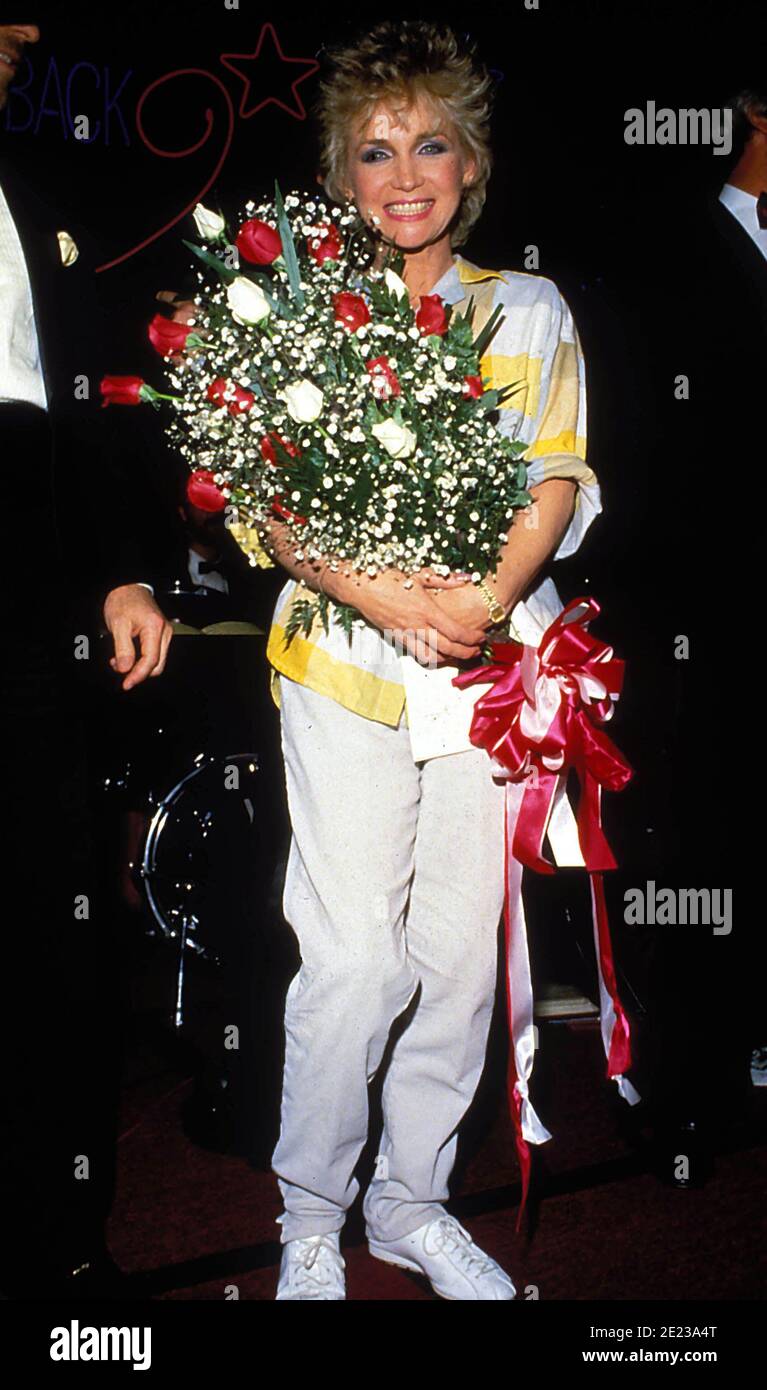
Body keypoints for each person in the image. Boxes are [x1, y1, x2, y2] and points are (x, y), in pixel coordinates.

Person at [255, 21, 601, 1300]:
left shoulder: (525, 307)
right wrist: (394, 602)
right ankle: (308, 1215)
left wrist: (484, 602)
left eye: (431, 144)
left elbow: (554, 476)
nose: (405, 173)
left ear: (471, 164)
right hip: (344, 658)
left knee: (458, 960)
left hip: (486, 672)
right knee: (357, 961)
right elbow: (270, 512)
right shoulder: (297, 320)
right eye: (374, 150)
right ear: (342, 177)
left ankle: (408, 1205)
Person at [0, 18, 173, 1296]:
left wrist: (119, 567)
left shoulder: (41, 203)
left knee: (56, 925)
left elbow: (91, 416)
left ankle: (63, 1250)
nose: (23, 34)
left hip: (34, 592)